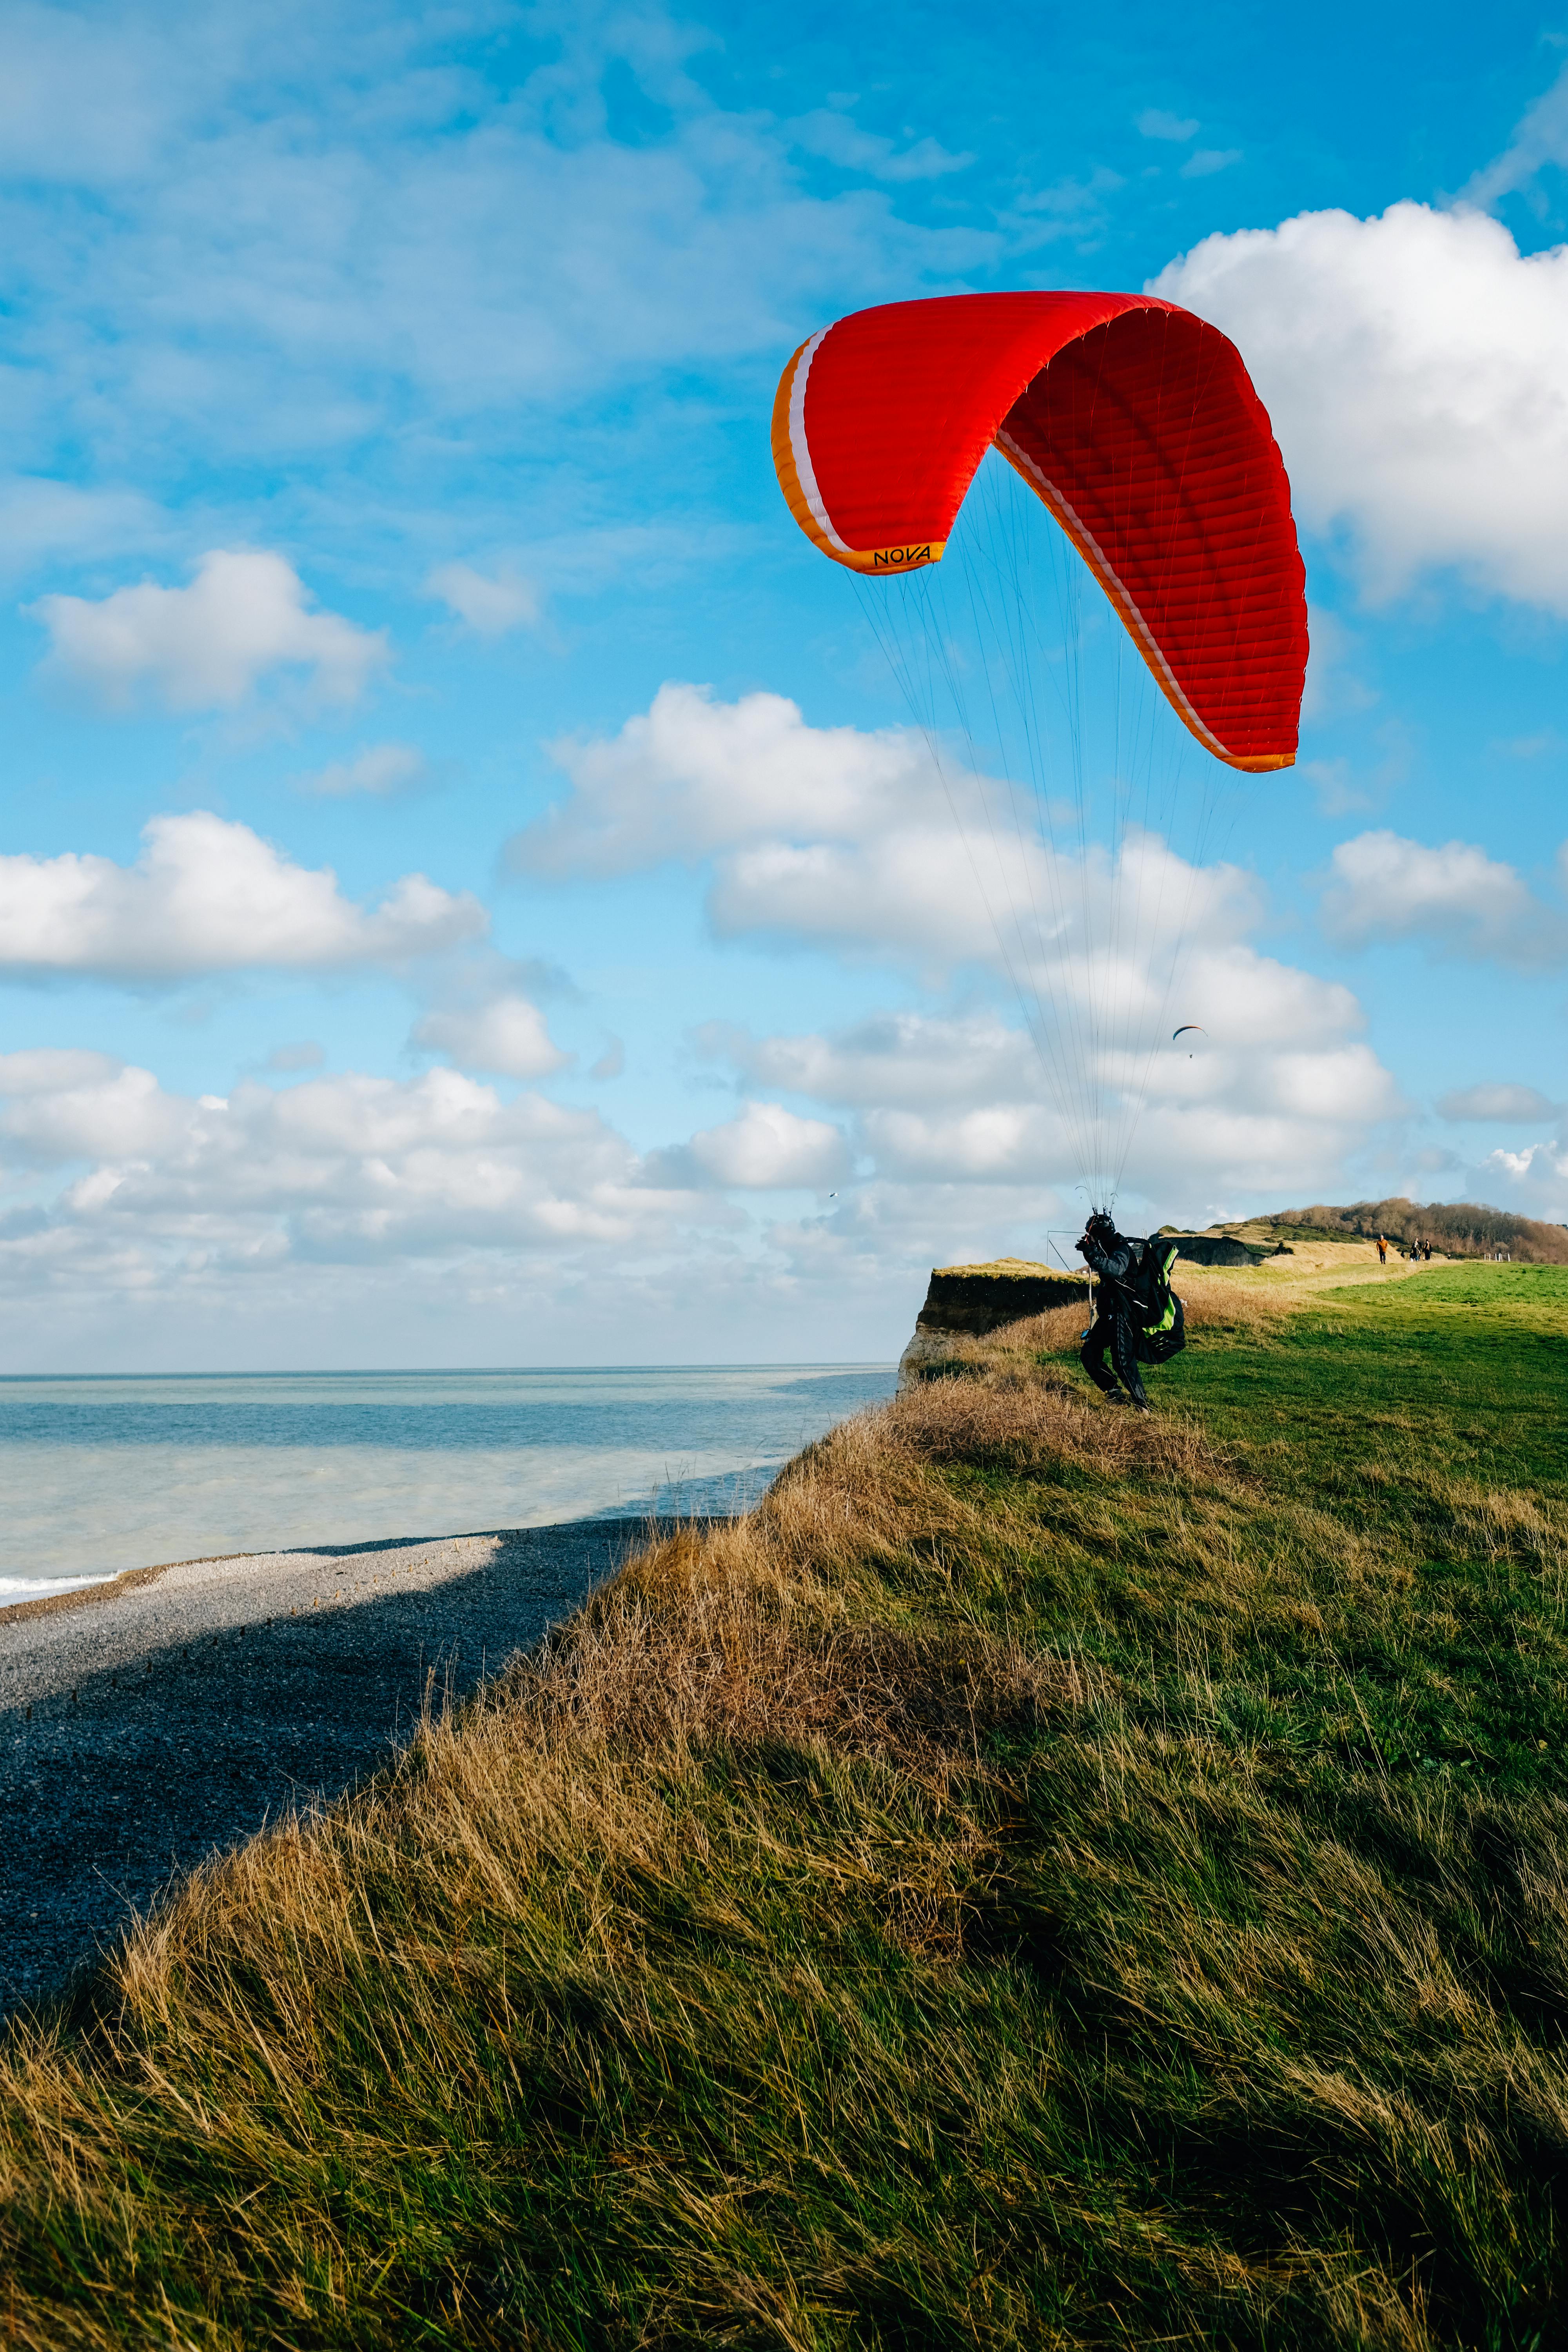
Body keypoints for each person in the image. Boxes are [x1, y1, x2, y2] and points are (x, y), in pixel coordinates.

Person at [1075, 1211, 1167, 1411]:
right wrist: (1091, 1251)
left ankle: (1142, 1407)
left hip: (1122, 1313)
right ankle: (1114, 1393)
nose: (1088, 1239)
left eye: (1091, 1235)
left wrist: (1090, 1252)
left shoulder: (1121, 1249)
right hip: (1108, 1314)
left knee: (1122, 1361)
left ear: (1099, 1234)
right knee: (1089, 1355)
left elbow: (1114, 1269)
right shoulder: (1107, 1248)